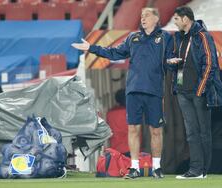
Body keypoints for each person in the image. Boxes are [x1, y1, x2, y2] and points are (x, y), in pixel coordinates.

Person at [72, 8, 174, 179]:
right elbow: (113, 53)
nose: (143, 18)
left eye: (147, 15)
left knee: (156, 130)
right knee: (133, 129)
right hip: (133, 91)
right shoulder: (132, 38)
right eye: (141, 16)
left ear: (156, 18)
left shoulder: (165, 38)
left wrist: (172, 63)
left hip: (154, 91)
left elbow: (170, 60)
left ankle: (156, 167)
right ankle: (134, 168)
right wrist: (91, 48)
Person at [167, 6, 222, 179]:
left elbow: (210, 63)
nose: (175, 22)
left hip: (199, 92)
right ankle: (195, 169)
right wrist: (171, 62)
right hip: (182, 91)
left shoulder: (203, 35)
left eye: (176, 19)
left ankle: (203, 170)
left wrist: (201, 89)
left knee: (203, 132)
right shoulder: (177, 37)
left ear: (186, 19)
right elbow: (176, 59)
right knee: (191, 132)